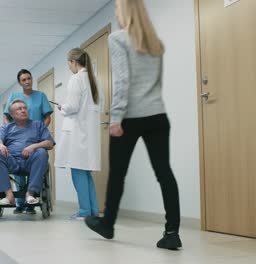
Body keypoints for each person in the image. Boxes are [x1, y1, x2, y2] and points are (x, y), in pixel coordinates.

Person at [84, 0, 182, 250]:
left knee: (117, 173)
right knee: (164, 173)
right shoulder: (154, 42)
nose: (116, 12)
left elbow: (122, 81)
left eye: (117, 8)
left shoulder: (118, 38)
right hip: (158, 115)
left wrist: (116, 117)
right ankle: (172, 233)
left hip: (130, 118)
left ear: (124, 11)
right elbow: (156, 83)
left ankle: (108, 224)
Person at [55, 48, 102, 220]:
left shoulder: (76, 79)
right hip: (88, 132)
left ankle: (84, 211)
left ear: (73, 62)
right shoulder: (94, 80)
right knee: (85, 172)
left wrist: (62, 107)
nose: (69, 68)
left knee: (77, 171)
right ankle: (93, 210)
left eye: (69, 64)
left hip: (77, 132)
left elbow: (72, 106)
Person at [3, 69, 53, 214]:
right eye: (23, 80)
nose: (27, 81)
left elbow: (47, 117)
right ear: (20, 82)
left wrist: (40, 132)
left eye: (29, 78)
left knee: (36, 162)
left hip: (35, 138)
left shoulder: (41, 96)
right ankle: (20, 203)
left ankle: (30, 202)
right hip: (17, 138)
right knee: (18, 169)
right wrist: (9, 131)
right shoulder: (15, 96)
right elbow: (7, 116)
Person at [0, 100, 54, 206]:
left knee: (42, 152)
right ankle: (9, 196)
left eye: (24, 108)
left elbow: (50, 143)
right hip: (12, 162)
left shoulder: (38, 125)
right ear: (12, 114)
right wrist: (0, 145)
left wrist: (34, 146)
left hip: (32, 162)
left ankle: (30, 194)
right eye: (19, 109)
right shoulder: (6, 127)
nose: (23, 110)